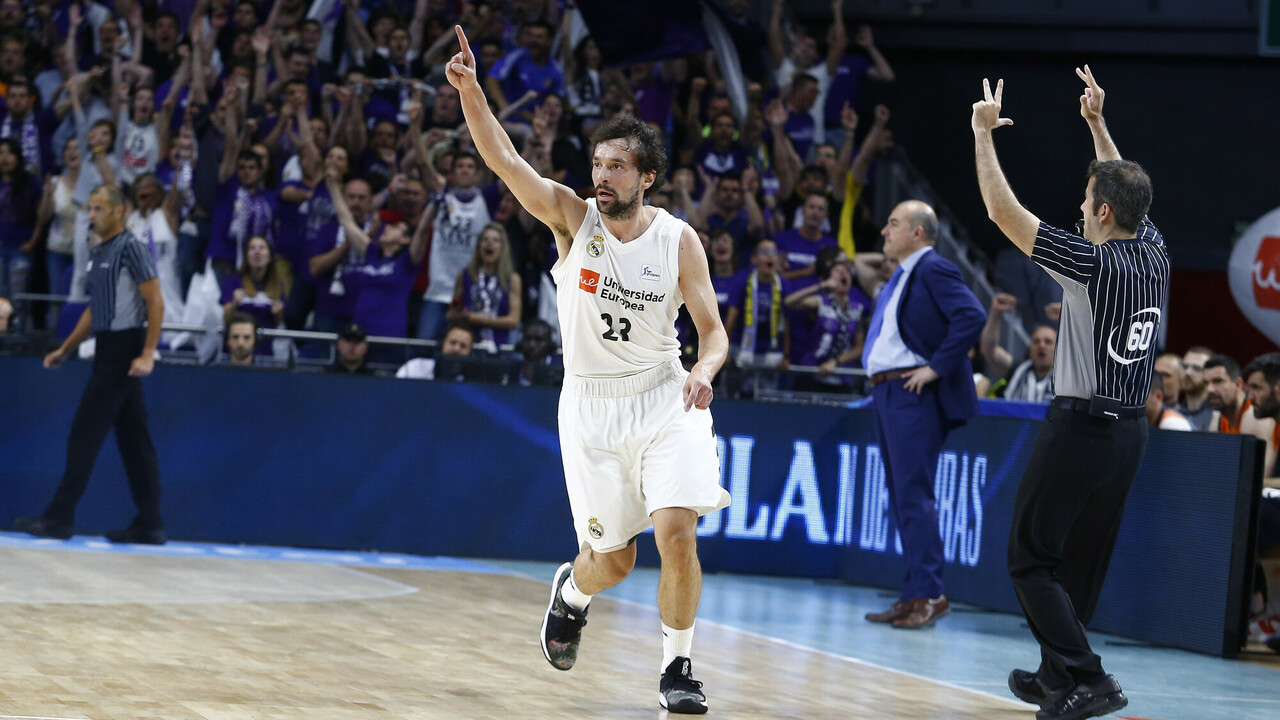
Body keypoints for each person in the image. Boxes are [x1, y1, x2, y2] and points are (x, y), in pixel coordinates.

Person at [450, 26, 730, 713]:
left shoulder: (677, 239)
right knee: (615, 562)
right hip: (592, 406)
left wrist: (707, 370)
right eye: (597, 163)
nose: (600, 175)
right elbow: (508, 162)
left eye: (615, 166)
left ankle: (677, 671)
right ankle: (571, 593)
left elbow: (714, 334)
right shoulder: (574, 221)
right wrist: (471, 92)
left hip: (666, 395)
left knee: (677, 532)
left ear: (646, 177)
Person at [973, 66, 1169, 718]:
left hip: (1080, 427)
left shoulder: (1091, 261)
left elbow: (1004, 212)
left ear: (1103, 213)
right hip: (1129, 436)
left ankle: (1089, 679)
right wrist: (1095, 124)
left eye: (1087, 204)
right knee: (1076, 565)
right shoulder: (1156, 250)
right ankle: (1059, 675)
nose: (1079, 210)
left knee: (1029, 560)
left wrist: (982, 134)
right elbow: (1126, 189)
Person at [13, 184, 167, 545]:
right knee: (134, 440)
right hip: (108, 346)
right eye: (90, 208)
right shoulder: (100, 251)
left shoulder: (131, 247)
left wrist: (147, 352)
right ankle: (150, 523)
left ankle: (59, 518)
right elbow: (94, 308)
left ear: (119, 211)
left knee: (86, 431)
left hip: (123, 347)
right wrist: (66, 348)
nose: (91, 214)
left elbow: (155, 302)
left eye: (98, 208)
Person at [859, 197, 984, 630]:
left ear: (917, 232)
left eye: (893, 224)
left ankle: (931, 593)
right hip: (889, 392)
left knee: (914, 495)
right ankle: (914, 593)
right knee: (901, 495)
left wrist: (935, 367)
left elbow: (971, 315)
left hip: (912, 393)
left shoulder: (933, 267)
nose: (884, 231)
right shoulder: (906, 274)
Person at [446, 221, 522, 354]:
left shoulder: (512, 279)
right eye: (485, 239)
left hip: (500, 347)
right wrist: (459, 314)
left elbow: (514, 320)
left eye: (495, 240)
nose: (489, 243)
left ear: (503, 248)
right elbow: (451, 313)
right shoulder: (465, 275)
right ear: (479, 246)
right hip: (468, 346)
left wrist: (477, 318)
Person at [981, 293, 1055, 403]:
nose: (1041, 345)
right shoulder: (1017, 371)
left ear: (1058, 350)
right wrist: (996, 312)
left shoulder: (1066, 379)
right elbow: (989, 350)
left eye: (1048, 342)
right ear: (1030, 348)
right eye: (1036, 341)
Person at [1177, 346, 1215, 431]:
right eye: (1185, 366)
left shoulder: (1217, 416)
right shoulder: (1174, 412)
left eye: (1197, 368)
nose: (1188, 373)